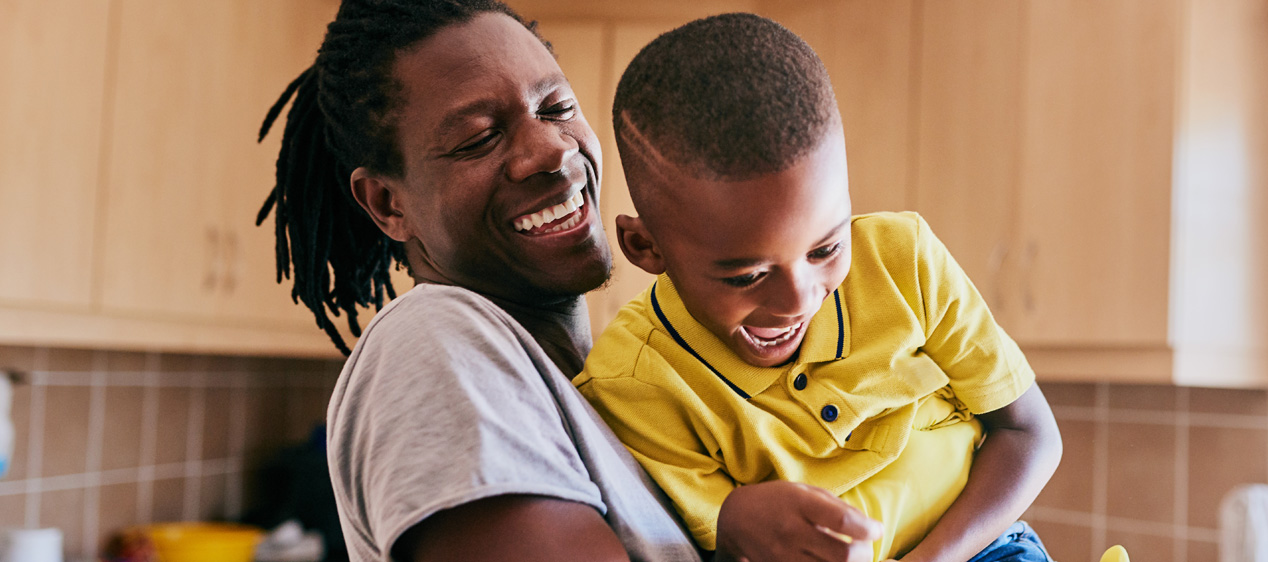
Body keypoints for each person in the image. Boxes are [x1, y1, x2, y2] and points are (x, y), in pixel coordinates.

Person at [256, 2, 886, 561]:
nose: (552, 151)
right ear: (389, 204)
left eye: (556, 107)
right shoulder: (433, 346)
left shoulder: (619, 387)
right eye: (479, 138)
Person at [574, 13, 1065, 562]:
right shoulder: (634, 382)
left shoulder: (904, 259)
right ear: (647, 250)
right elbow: (692, 543)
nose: (799, 299)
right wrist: (731, 523)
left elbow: (1029, 435)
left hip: (991, 548)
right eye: (747, 275)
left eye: (825, 249)